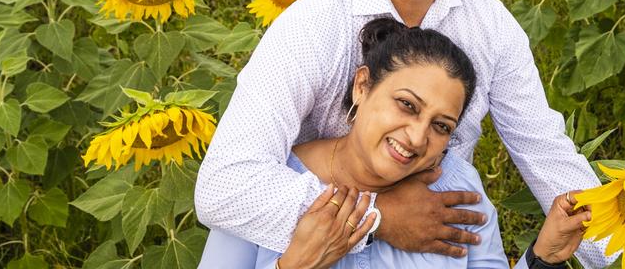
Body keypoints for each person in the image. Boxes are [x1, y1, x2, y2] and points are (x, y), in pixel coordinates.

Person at [196, 0, 608, 267]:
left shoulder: (489, 25)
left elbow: (544, 150)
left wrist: (622, 249)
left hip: (440, 247)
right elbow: (225, 186)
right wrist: (378, 216)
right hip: (298, 242)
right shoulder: (309, 28)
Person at [198, 18, 590, 268]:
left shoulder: (456, 190)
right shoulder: (261, 184)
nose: (418, 137)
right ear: (362, 86)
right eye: (406, 105)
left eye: (441, 126)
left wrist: (543, 258)